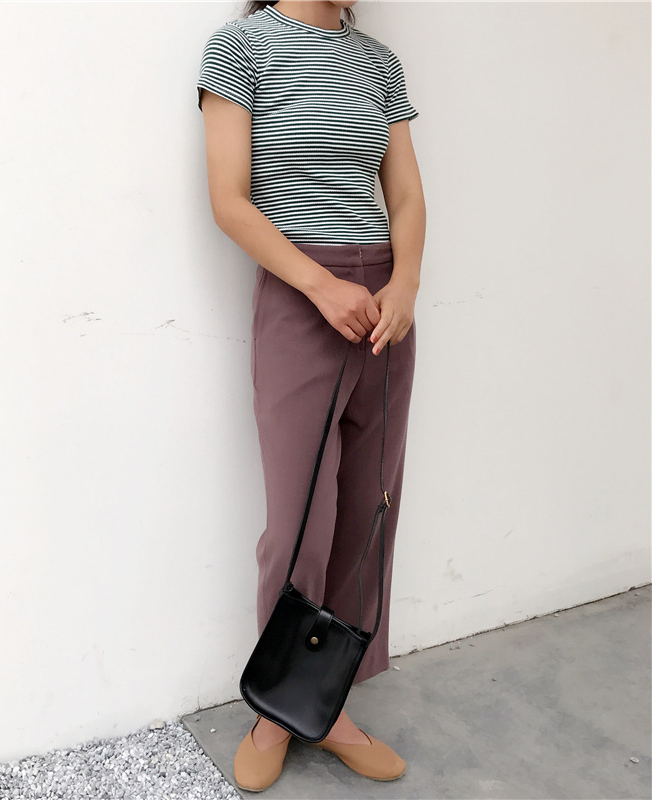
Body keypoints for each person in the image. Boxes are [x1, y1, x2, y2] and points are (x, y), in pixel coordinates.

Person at [196, 0, 426, 791]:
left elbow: (405, 196)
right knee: (301, 524)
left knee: (367, 511)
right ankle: (276, 706)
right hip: (302, 300)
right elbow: (230, 199)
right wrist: (321, 286)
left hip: (384, 310)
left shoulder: (378, 62)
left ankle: (329, 705)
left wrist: (405, 283)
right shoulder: (240, 47)